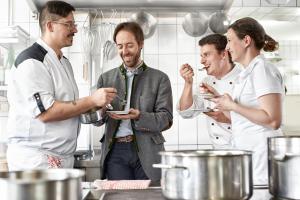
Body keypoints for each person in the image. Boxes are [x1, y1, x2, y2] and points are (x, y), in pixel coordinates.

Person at [6, 1, 116, 170]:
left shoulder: (63, 62)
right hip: (37, 160)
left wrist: (97, 109)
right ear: (50, 26)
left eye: (74, 24)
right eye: (69, 24)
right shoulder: (33, 61)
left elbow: (67, 107)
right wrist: (91, 100)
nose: (75, 29)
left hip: (61, 158)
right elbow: (47, 113)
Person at [95, 22, 173, 185]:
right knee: (121, 197)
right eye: (120, 46)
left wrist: (139, 116)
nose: (124, 51)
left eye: (129, 45)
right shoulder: (105, 78)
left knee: (150, 196)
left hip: (149, 151)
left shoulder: (160, 78)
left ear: (141, 44)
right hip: (115, 151)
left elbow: (166, 119)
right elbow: (97, 120)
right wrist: (100, 110)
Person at [210, 17, 284, 185]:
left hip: (262, 163)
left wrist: (233, 105)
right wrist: (220, 99)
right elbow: (245, 119)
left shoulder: (262, 70)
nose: (227, 47)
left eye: (229, 40)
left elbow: (273, 120)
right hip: (251, 161)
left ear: (246, 41)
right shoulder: (248, 73)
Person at [177, 34, 241, 149]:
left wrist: (228, 119)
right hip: (217, 151)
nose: (202, 61)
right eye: (201, 56)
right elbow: (186, 113)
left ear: (223, 54)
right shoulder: (207, 82)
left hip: (243, 150)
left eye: (206, 55)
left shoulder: (244, 78)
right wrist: (188, 83)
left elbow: (265, 119)